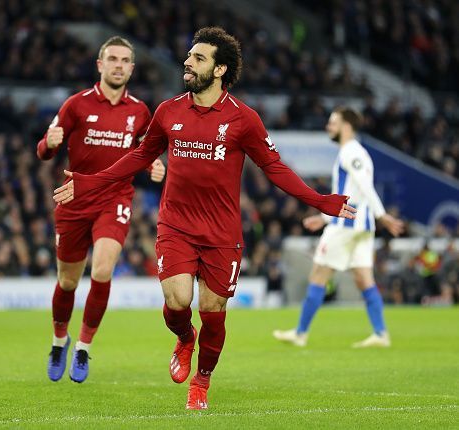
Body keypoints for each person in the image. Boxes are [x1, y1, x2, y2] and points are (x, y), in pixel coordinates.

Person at [53, 27, 355, 409]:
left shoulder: (243, 119)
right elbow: (138, 157)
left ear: (219, 69)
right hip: (176, 224)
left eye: (198, 58)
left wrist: (319, 200)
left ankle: (202, 380)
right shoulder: (168, 111)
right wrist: (90, 182)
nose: (187, 62)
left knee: (212, 313)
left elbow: (275, 168)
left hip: (221, 232)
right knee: (177, 301)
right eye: (189, 56)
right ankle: (183, 338)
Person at [37, 36, 166, 384]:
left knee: (103, 269)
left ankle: (82, 347)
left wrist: (155, 167)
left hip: (115, 198)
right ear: (100, 64)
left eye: (125, 60)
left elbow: (146, 152)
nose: (119, 65)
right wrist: (47, 145)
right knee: (67, 280)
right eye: (112, 59)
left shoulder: (140, 112)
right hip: (74, 199)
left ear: (132, 68)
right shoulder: (75, 105)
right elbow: (47, 147)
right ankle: (59, 342)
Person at [273, 106, 404, 348]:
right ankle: (380, 333)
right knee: (364, 278)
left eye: (332, 122)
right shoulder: (359, 152)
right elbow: (352, 193)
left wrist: (382, 215)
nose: (328, 127)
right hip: (361, 226)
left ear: (346, 126)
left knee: (319, 274)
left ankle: (300, 333)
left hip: (346, 225)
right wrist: (324, 218)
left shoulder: (350, 153)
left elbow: (365, 186)